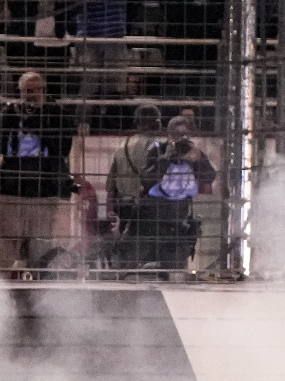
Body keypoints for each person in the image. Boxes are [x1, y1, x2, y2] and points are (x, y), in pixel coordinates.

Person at [0, 71, 78, 273]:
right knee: (2, 254)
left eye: (35, 91)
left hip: (43, 195)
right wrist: (7, 124)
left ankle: (37, 297)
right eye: (26, 91)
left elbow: (62, 150)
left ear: (43, 91)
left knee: (40, 256)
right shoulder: (10, 112)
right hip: (12, 193)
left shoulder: (57, 114)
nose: (30, 96)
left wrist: (38, 124)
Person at [135, 114, 216, 269]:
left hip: (181, 214)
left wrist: (197, 160)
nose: (182, 140)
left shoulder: (193, 152)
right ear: (169, 135)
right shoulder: (158, 150)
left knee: (177, 261)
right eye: (178, 135)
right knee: (151, 261)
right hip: (156, 213)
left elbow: (210, 176)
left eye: (186, 135)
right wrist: (166, 159)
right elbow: (146, 180)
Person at [104, 104, 162, 266]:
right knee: (146, 256)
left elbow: (110, 186)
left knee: (125, 253)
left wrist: (110, 211)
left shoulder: (122, 146)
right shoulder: (155, 146)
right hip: (146, 208)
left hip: (122, 207)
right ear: (155, 123)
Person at [73, 0, 130, 131]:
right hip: (88, 35)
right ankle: (82, 124)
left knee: (114, 84)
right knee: (90, 83)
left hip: (114, 32)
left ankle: (110, 123)